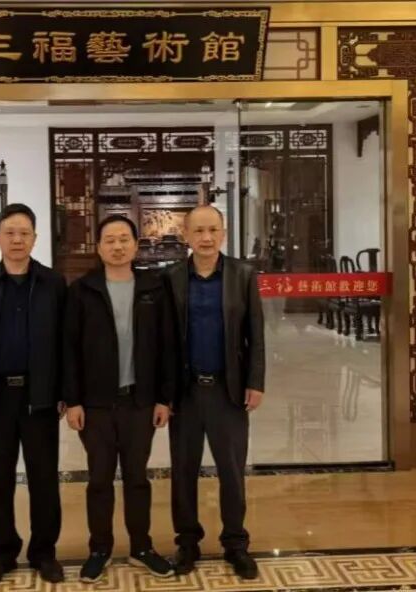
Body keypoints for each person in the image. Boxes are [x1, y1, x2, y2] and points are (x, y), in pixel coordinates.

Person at [64, 215, 176, 583]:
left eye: (124, 239)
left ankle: (141, 547)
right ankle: (99, 549)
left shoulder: (153, 288)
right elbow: (69, 350)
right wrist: (73, 401)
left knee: (137, 478)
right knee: (99, 480)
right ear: (99, 247)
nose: (117, 246)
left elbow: (166, 346)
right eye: (109, 240)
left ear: (135, 245)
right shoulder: (82, 291)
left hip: (139, 403)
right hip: (95, 406)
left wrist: (164, 399)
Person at [0, 203, 66, 588]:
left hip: (40, 396)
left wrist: (65, 392)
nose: (17, 240)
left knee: (44, 479)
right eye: (10, 233)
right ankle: (0, 554)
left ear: (35, 239)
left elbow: (65, 343)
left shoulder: (53, 283)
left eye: (24, 233)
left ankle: (44, 553)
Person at [166, 205, 266, 580]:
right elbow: (163, 340)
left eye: (213, 230)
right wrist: (164, 392)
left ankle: (235, 543)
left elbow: (255, 334)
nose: (206, 238)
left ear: (223, 233)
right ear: (186, 236)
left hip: (228, 390)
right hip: (186, 393)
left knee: (232, 471)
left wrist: (255, 381)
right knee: (183, 471)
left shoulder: (242, 275)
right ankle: (187, 542)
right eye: (198, 231)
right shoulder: (172, 277)